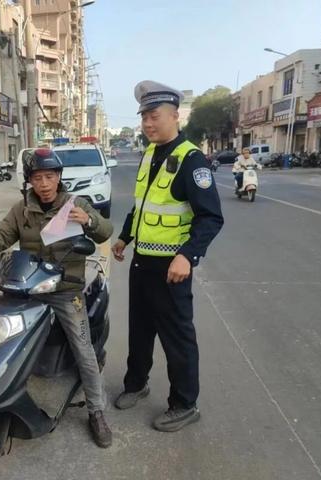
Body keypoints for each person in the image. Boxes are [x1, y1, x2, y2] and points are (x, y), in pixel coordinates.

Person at [0, 148, 114, 448]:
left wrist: (89, 222)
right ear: (29, 181)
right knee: (0, 336)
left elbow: (105, 232)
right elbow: (0, 235)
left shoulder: (75, 204)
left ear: (58, 178)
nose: (44, 183)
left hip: (64, 289)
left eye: (49, 177)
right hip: (26, 286)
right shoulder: (21, 209)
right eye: (37, 178)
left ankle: (96, 411)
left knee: (83, 349)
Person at [111, 81, 224, 432]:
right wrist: (125, 237)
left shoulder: (191, 160)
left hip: (171, 268)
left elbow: (211, 217)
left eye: (154, 116)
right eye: (144, 116)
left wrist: (187, 256)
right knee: (140, 330)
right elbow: (143, 205)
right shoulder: (149, 154)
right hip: (143, 261)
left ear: (175, 116)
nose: (147, 123)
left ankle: (184, 404)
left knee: (177, 338)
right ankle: (136, 384)